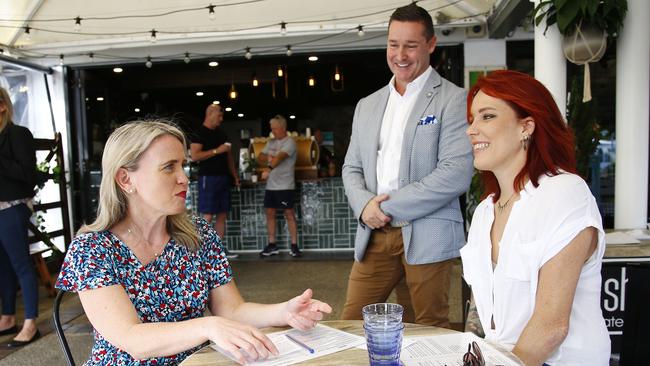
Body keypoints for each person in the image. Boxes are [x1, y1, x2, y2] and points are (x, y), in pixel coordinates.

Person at [55, 121, 331, 365]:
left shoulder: (198, 234)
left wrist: (284, 311)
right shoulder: (92, 249)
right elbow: (132, 340)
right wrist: (208, 327)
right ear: (126, 179)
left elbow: (231, 310)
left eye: (183, 165)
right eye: (168, 167)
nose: (184, 178)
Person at [461, 70, 610, 365]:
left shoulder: (565, 193)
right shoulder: (484, 212)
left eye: (487, 116)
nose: (471, 129)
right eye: (471, 119)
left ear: (526, 127)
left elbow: (551, 328)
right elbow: (478, 319)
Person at [341, 3, 473, 327]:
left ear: (430, 45)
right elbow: (351, 168)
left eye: (411, 45)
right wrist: (364, 206)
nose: (400, 55)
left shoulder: (453, 99)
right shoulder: (367, 105)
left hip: (427, 232)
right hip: (374, 233)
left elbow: (454, 174)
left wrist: (385, 206)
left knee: (428, 329)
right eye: (393, 44)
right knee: (351, 324)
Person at [0, 87, 41, 347]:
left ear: (2, 105)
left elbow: (28, 174)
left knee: (21, 264)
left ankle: (31, 322)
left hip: (13, 206)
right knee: (2, 267)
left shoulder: (18, 134)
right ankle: (7, 317)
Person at [190, 104, 240, 259]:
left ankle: (218, 251)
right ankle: (202, 251)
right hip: (208, 177)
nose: (221, 118)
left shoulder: (222, 134)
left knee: (222, 214)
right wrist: (217, 150)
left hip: (223, 177)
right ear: (210, 113)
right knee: (208, 215)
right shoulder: (199, 133)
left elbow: (229, 156)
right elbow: (195, 156)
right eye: (219, 115)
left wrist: (234, 176)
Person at [256, 115, 301, 258]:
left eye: (274, 128)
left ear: (282, 128)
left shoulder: (290, 142)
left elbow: (280, 158)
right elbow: (259, 157)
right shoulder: (271, 142)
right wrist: (269, 157)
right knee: (270, 213)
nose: (272, 131)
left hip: (285, 185)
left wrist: (269, 167)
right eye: (271, 128)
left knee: (289, 213)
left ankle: (294, 245)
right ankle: (272, 245)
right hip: (271, 186)